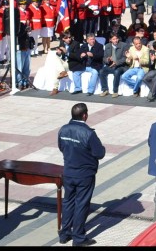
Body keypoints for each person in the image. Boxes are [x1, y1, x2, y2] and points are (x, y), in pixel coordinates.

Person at [57, 103, 106, 246]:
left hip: (68, 172)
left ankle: (64, 233)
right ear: (84, 115)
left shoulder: (63, 130)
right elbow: (99, 153)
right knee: (81, 204)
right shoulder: (89, 133)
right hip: (84, 174)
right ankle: (78, 237)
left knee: (68, 202)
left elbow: (61, 147)